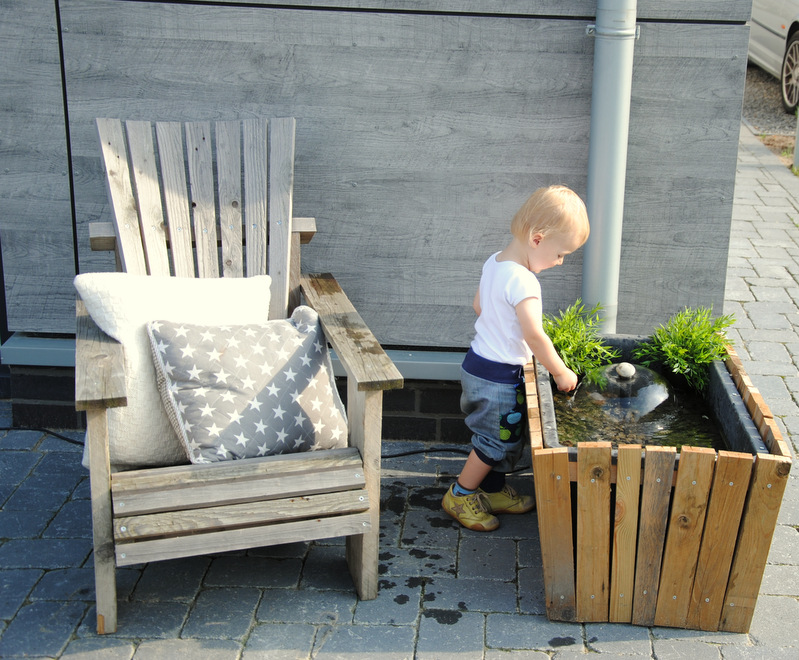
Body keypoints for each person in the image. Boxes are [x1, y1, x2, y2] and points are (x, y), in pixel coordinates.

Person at [442, 184, 590, 531]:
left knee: (503, 436)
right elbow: (534, 335)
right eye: (560, 254)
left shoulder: (495, 261)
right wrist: (561, 372)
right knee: (494, 441)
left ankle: (492, 490)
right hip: (499, 377)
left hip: (478, 365)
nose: (560, 262)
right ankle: (461, 494)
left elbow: (478, 306)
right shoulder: (524, 282)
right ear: (538, 239)